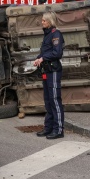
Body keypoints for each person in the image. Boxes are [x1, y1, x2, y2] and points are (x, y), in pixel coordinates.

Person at [33, 11, 65, 140]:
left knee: (55, 100)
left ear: (50, 21)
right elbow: (45, 51)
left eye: (44, 21)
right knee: (48, 100)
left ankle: (58, 130)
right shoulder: (47, 35)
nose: (42, 22)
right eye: (42, 20)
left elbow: (57, 53)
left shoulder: (55, 34)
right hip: (46, 71)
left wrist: (43, 58)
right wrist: (38, 59)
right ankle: (48, 128)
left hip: (53, 71)